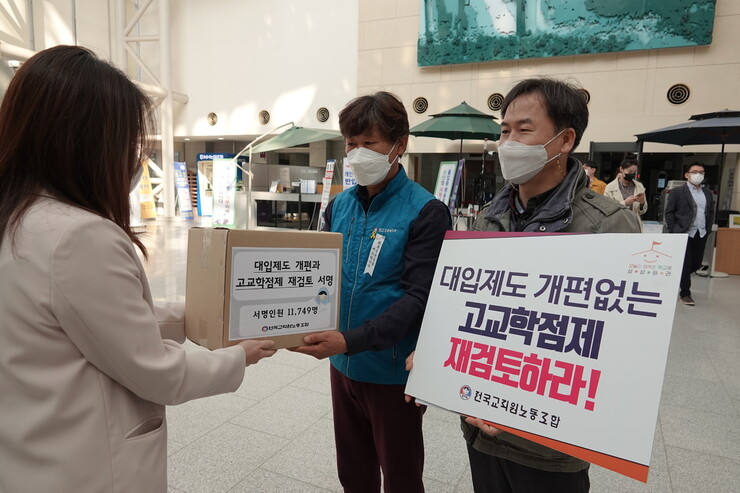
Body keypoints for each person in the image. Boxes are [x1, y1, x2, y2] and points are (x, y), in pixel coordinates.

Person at [0, 46, 276, 493]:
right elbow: (155, 371)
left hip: (31, 453)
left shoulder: (18, 218)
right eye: (126, 142)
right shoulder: (78, 236)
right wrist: (238, 355)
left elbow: (95, 320)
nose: (133, 159)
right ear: (83, 142)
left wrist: (199, 314)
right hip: (90, 467)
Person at [465, 77, 641, 493]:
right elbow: (467, 311)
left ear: (565, 140)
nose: (508, 141)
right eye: (504, 130)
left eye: (524, 130)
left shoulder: (609, 225)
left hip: (551, 449)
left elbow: (623, 347)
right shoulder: (489, 218)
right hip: (480, 428)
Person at [292, 91, 451, 492]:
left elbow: (418, 300)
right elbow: (320, 279)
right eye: (351, 144)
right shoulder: (339, 206)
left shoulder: (426, 211)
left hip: (391, 370)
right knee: (354, 471)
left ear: (399, 144)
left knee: (400, 475)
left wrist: (350, 340)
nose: (358, 153)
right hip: (342, 365)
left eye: (370, 143)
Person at [664, 163, 715, 306]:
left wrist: (708, 228)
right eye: (695, 172)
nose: (698, 174)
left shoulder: (707, 193)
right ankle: (685, 293)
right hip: (683, 232)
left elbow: (710, 212)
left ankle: (678, 277)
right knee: (685, 263)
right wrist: (674, 229)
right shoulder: (678, 192)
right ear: (687, 175)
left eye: (701, 172)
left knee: (696, 263)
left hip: (701, 232)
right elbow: (669, 212)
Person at [604, 158, 648, 224]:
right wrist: (625, 203)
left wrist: (642, 203)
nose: (632, 174)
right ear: (621, 169)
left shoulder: (639, 186)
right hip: (616, 224)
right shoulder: (610, 187)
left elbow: (643, 211)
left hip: (634, 224)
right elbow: (607, 208)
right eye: (630, 172)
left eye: (634, 172)